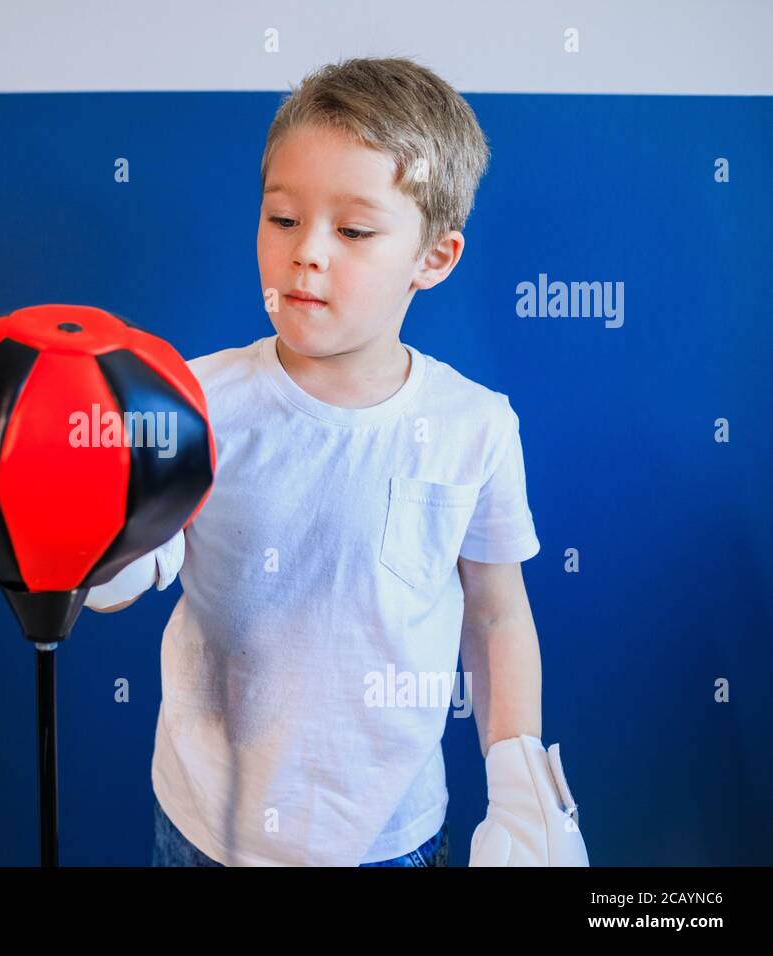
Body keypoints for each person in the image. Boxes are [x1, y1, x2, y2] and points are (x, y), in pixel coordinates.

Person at [87, 57, 589, 868]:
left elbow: (496, 612)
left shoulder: (475, 426)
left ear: (435, 256)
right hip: (206, 827)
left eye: (354, 230)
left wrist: (518, 774)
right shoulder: (193, 401)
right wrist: (111, 553)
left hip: (389, 835)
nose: (306, 253)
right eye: (282, 218)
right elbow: (126, 569)